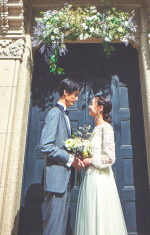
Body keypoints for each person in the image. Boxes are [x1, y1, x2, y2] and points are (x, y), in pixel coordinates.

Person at [74, 95, 128, 235]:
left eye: (92, 103)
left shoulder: (106, 128)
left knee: (100, 216)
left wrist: (90, 161)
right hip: (90, 178)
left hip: (100, 180)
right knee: (90, 216)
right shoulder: (94, 129)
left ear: (100, 108)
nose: (89, 106)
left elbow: (110, 158)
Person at [40, 78, 85, 235]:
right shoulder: (55, 113)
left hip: (65, 181)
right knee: (53, 228)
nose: (77, 98)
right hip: (56, 181)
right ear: (65, 92)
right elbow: (45, 145)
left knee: (59, 228)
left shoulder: (65, 115)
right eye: (75, 94)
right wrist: (70, 159)